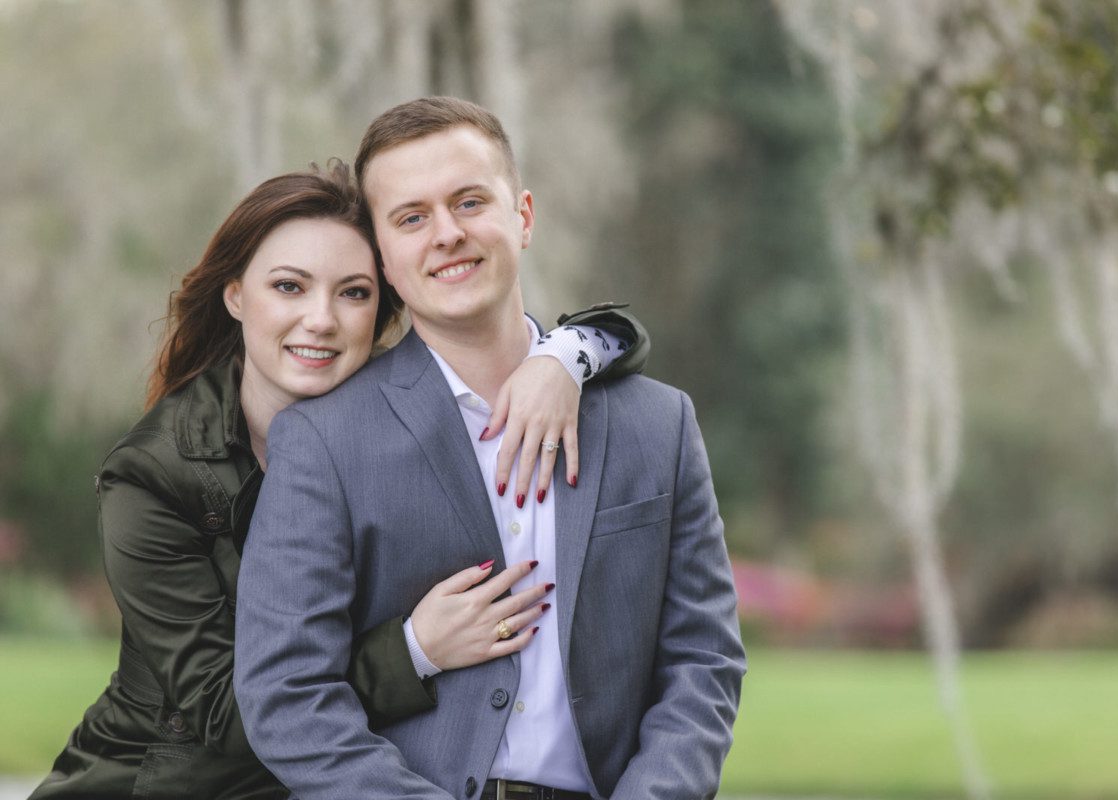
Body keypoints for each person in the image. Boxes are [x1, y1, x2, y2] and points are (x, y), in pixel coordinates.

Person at [29, 159, 650, 800]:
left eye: (353, 293)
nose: (321, 319)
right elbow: (232, 713)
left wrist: (564, 358)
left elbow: (581, 334)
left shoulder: (400, 419)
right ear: (236, 295)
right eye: (289, 287)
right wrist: (415, 650)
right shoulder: (152, 477)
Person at [234, 96, 744, 800]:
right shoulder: (324, 440)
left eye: (469, 202)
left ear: (523, 216)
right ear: (384, 258)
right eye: (412, 218)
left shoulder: (658, 425)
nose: (447, 234)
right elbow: (287, 693)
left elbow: (703, 661)